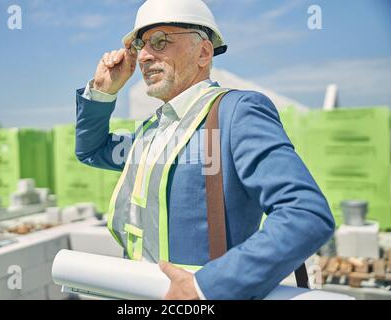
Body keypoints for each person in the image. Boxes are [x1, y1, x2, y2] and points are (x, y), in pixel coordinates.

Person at [75, 0, 335, 300]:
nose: (144, 56)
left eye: (160, 41)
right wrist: (102, 91)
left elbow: (305, 214)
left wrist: (207, 287)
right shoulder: (153, 130)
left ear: (203, 52)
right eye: (140, 45)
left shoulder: (236, 113)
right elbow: (91, 150)